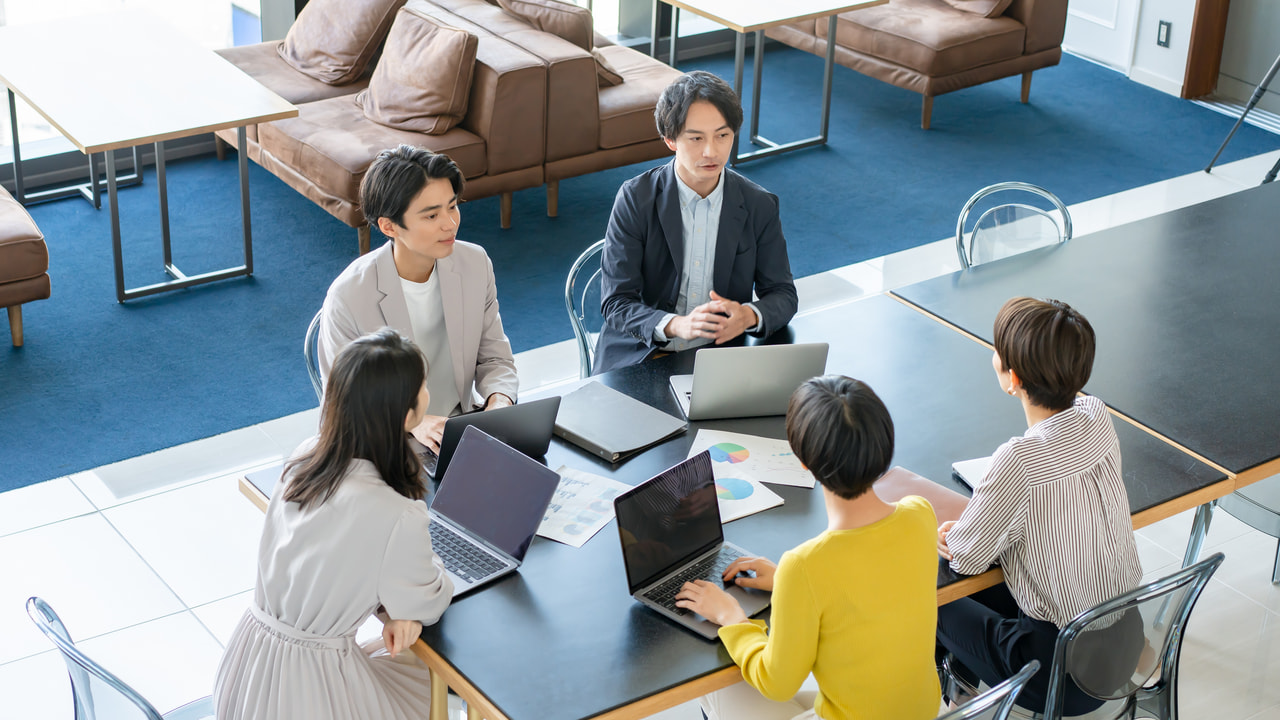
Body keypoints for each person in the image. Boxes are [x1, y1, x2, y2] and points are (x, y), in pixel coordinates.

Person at [214, 328, 452, 720]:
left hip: (246, 670)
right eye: (423, 386)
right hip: (310, 697)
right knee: (431, 684)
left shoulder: (304, 459)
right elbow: (428, 599)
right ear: (408, 414)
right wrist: (404, 609)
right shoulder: (397, 512)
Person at [675, 375, 942, 720]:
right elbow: (864, 586)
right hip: (922, 713)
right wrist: (788, 584)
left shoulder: (805, 566)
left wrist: (731, 616)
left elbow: (776, 683)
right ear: (884, 445)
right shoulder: (920, 514)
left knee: (718, 682)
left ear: (803, 461)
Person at [936, 297, 1142, 715]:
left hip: (1061, 676)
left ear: (1012, 378)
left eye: (997, 352)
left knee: (924, 585)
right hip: (1124, 648)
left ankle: (951, 691)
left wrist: (950, 538)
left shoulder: (1017, 460)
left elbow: (967, 558)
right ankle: (961, 680)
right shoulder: (1097, 414)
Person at [594, 70, 798, 374]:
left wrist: (748, 315)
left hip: (718, 359)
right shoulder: (636, 198)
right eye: (696, 138)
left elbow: (783, 294)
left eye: (722, 135)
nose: (711, 152)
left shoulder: (758, 204)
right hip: (641, 357)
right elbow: (617, 303)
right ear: (670, 139)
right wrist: (678, 325)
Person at [318, 145, 517, 452]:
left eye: (452, 206)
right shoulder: (349, 296)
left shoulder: (475, 264)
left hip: (461, 430)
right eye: (432, 215)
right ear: (389, 226)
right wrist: (416, 423)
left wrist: (499, 401)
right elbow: (346, 404)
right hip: (384, 446)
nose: (450, 223)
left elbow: (495, 358)